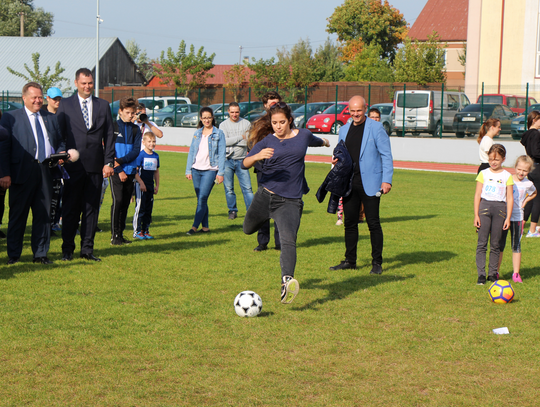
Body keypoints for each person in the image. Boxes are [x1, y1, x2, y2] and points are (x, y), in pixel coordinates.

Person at [243, 102, 330, 304]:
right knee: (247, 229)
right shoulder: (267, 141)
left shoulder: (303, 135)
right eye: (274, 123)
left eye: (282, 122)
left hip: (290, 201)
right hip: (265, 197)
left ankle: (287, 281)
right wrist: (256, 156)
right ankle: (260, 225)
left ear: (290, 120)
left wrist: (325, 142)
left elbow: (314, 141)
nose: (278, 126)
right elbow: (244, 163)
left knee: (288, 240)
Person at [0, 82, 64, 264]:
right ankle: (13, 255)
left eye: (40, 97)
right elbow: (3, 149)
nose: (37, 100)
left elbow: (59, 142)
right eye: (34, 97)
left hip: (45, 172)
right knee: (18, 216)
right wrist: (4, 173)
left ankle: (41, 254)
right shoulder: (10, 118)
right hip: (20, 173)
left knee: (43, 215)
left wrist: (61, 154)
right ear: (24, 98)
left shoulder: (50, 117)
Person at [56, 68, 116, 262]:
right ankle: (67, 250)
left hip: (96, 167)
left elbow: (109, 135)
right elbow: (59, 135)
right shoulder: (65, 105)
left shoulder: (103, 105)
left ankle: (87, 250)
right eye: (83, 83)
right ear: (76, 83)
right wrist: (62, 156)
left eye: (90, 83)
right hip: (72, 167)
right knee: (70, 209)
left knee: (91, 209)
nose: (87, 86)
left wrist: (108, 162)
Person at [330, 96, 393, 274]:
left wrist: (386, 180)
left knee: (373, 223)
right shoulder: (343, 129)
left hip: (372, 183)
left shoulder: (377, 128)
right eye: (352, 111)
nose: (356, 114)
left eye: (359, 110)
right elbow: (342, 152)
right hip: (349, 182)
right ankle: (350, 260)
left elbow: (386, 155)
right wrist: (337, 160)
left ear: (365, 109)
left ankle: (377, 263)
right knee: (349, 222)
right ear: (348, 110)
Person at [474, 144, 513, 285]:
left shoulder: (507, 176)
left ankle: (492, 274)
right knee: (482, 243)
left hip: (500, 210)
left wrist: (508, 217)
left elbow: (509, 198)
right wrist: (476, 215)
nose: (493, 162)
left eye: (496, 159)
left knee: (495, 244)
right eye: (491, 159)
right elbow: (477, 194)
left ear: (503, 159)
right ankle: (481, 275)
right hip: (484, 208)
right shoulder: (483, 173)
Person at [185, 106, 226, 235]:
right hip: (196, 169)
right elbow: (192, 151)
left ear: (212, 118)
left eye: (209, 117)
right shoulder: (197, 133)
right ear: (201, 119)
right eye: (204, 118)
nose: (207, 120)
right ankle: (206, 227)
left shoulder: (219, 133)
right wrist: (188, 170)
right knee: (201, 199)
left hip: (210, 170)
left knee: (202, 198)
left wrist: (220, 173)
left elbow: (222, 153)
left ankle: (194, 227)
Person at [498, 155, 536, 283]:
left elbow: (534, 193)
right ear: (515, 167)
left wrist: (525, 200)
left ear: (529, 171)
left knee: (516, 246)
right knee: (499, 245)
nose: (521, 172)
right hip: (504, 217)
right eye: (519, 169)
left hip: (518, 217)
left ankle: (516, 274)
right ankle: (496, 272)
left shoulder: (528, 184)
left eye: (525, 171)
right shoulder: (508, 179)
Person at [252, 91, 282, 251]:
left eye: (277, 103)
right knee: (263, 205)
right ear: (265, 105)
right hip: (263, 169)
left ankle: (279, 242)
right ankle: (262, 242)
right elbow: (252, 145)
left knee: (279, 205)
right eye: (271, 104)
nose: (274, 106)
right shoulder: (259, 123)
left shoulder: (286, 122)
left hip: (281, 170)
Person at [110, 97, 141, 245]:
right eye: (128, 112)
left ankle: (121, 234)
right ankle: (114, 235)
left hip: (130, 171)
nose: (131, 116)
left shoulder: (136, 129)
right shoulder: (113, 127)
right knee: (118, 201)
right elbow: (109, 151)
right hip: (117, 171)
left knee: (126, 204)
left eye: (133, 113)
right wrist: (119, 169)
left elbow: (136, 151)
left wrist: (122, 163)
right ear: (120, 111)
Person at [219, 102, 253, 220]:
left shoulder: (246, 124)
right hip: (227, 160)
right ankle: (232, 211)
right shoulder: (223, 125)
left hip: (242, 161)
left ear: (240, 112)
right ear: (228, 111)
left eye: (237, 112)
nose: (234, 114)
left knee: (247, 188)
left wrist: (234, 140)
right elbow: (224, 142)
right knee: (229, 188)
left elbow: (248, 141)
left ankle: (251, 212)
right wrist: (240, 138)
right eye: (232, 112)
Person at [133, 132, 160, 240]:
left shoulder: (156, 156)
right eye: (149, 141)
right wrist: (141, 183)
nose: (152, 143)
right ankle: (137, 231)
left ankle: (146, 230)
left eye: (154, 141)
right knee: (140, 208)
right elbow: (135, 171)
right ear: (143, 142)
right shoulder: (140, 155)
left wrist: (157, 185)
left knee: (149, 209)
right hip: (141, 186)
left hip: (150, 185)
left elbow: (156, 172)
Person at [520, 110, 540, 237]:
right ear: (534, 120)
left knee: (531, 198)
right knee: (538, 198)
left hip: (531, 168)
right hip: (538, 167)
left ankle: (521, 225)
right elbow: (536, 152)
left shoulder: (527, 134)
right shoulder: (536, 134)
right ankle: (532, 231)